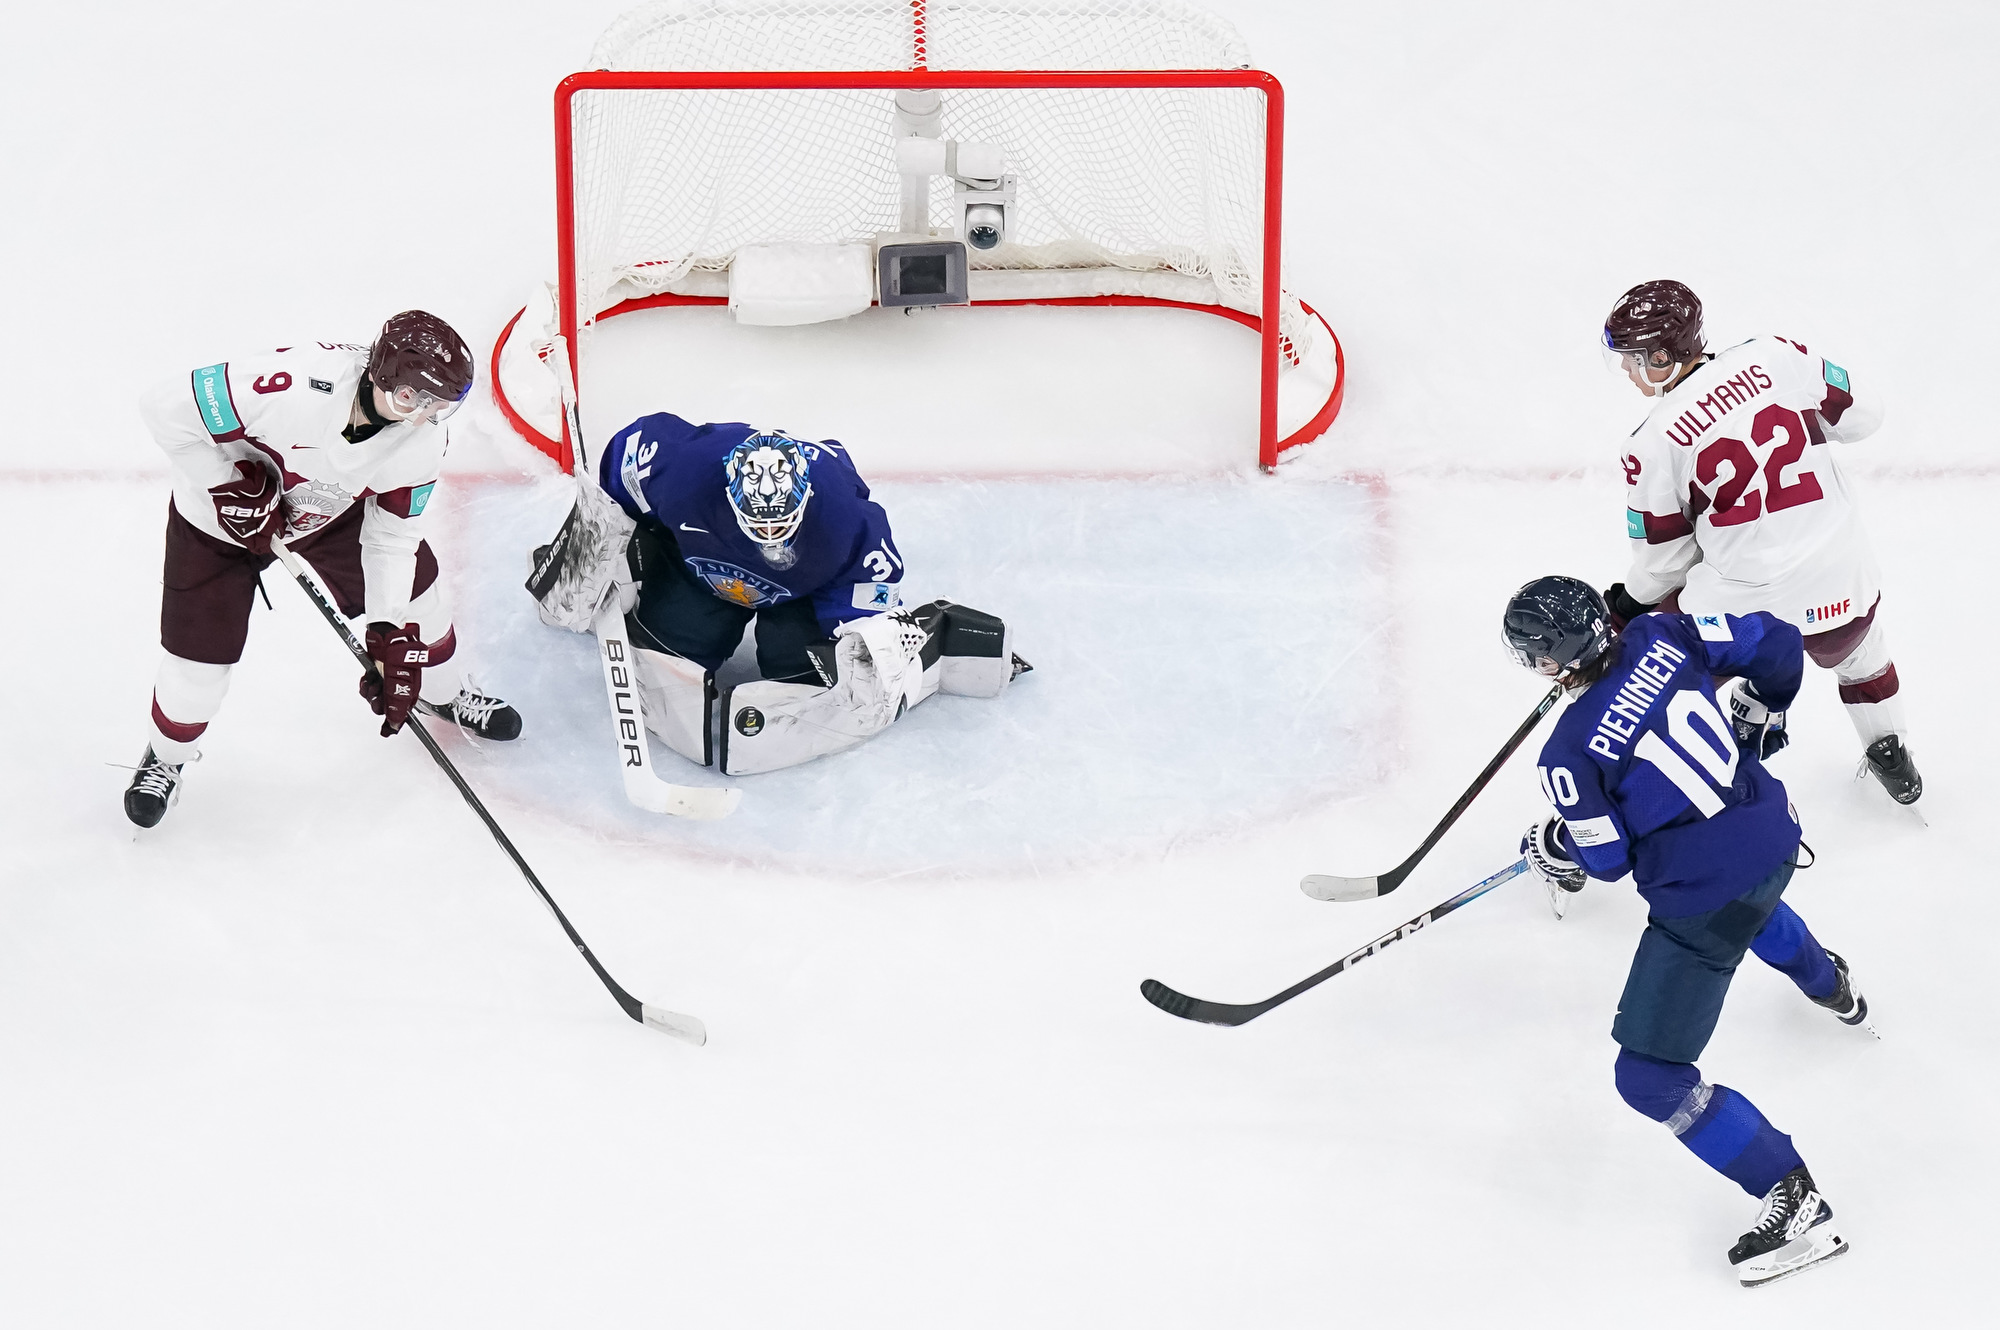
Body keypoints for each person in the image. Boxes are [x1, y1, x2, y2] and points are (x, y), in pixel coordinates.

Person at [1504, 575, 1872, 1288]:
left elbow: (1608, 860)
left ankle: (1792, 1194)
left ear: (1549, 661)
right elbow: (1777, 641)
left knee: (1647, 1078)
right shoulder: (1666, 633)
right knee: (1750, 908)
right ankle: (1831, 984)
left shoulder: (1568, 755)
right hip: (1773, 834)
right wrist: (1763, 711)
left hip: (1709, 896)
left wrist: (1560, 844)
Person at [124, 311, 521, 829]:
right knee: (198, 666)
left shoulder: (421, 441)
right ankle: (165, 757)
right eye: (411, 399)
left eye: (438, 405)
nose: (421, 416)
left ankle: (443, 696)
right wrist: (225, 481)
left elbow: (393, 536)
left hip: (326, 511)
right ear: (381, 376)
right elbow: (162, 407)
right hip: (216, 523)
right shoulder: (288, 389)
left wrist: (386, 628)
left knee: (419, 601)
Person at [1598, 279, 1919, 804]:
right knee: (1863, 658)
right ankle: (1890, 748)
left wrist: (1628, 607)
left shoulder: (1652, 441)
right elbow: (1865, 416)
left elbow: (1664, 563)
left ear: (1660, 358)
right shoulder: (1776, 355)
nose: (1627, 372)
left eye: (1632, 360)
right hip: (1844, 586)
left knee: (1667, 669)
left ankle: (1647, 785)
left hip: (1744, 617)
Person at [589, 413, 1027, 775]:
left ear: (807, 496)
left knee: (806, 676)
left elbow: (865, 601)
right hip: (701, 575)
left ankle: (925, 651)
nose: (770, 539)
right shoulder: (682, 468)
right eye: (756, 523)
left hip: (800, 596)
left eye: (782, 524)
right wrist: (605, 541)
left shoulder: (846, 520)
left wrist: (867, 646)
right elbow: (618, 473)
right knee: (669, 650)